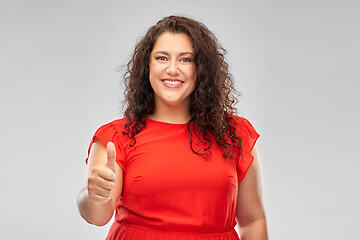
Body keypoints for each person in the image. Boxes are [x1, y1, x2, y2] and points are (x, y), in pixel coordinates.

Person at [77, 15, 268, 240]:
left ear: (201, 69)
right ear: (147, 65)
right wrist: (94, 196)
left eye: (185, 59)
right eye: (162, 58)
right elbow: (97, 216)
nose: (173, 69)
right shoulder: (117, 136)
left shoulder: (235, 134)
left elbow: (253, 220)